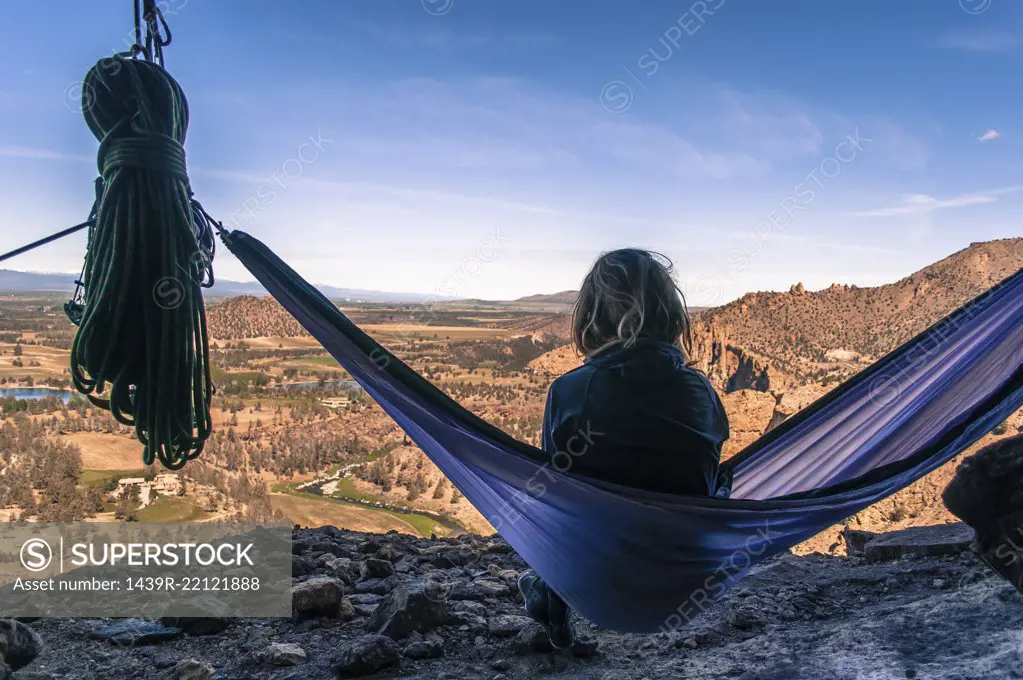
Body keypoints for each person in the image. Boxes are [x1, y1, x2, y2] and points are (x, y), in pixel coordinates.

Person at [517, 248, 731, 648]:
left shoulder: (570, 392)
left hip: (595, 579)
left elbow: (553, 490)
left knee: (551, 500)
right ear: (670, 312)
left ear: (591, 315)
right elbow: (709, 463)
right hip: (686, 578)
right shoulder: (701, 392)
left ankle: (551, 596)